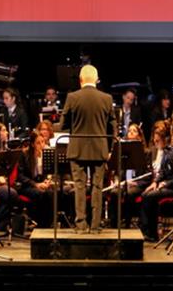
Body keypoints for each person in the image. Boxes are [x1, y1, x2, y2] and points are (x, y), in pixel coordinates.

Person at [59, 65, 117, 234]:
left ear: (81, 80)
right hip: (99, 149)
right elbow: (112, 127)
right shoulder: (106, 98)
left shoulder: (72, 97)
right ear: (96, 79)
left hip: (77, 149)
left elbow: (63, 125)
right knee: (97, 187)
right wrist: (109, 148)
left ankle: (81, 224)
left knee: (80, 186)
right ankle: (96, 225)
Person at [138, 123, 173, 241]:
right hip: (169, 184)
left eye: (157, 141)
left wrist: (166, 183)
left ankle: (150, 232)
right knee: (146, 193)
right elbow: (162, 171)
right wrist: (155, 182)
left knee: (150, 196)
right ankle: (149, 231)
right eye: (154, 141)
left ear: (165, 139)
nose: (155, 144)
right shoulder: (165, 151)